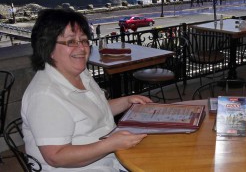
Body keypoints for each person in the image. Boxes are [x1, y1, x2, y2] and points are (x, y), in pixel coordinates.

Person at [21, 9, 151, 171]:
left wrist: (127, 101)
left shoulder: (80, 73)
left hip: (111, 160)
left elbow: (92, 112)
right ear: (48, 48)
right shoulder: (45, 95)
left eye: (83, 40)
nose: (82, 48)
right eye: (71, 42)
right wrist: (110, 144)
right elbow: (56, 156)